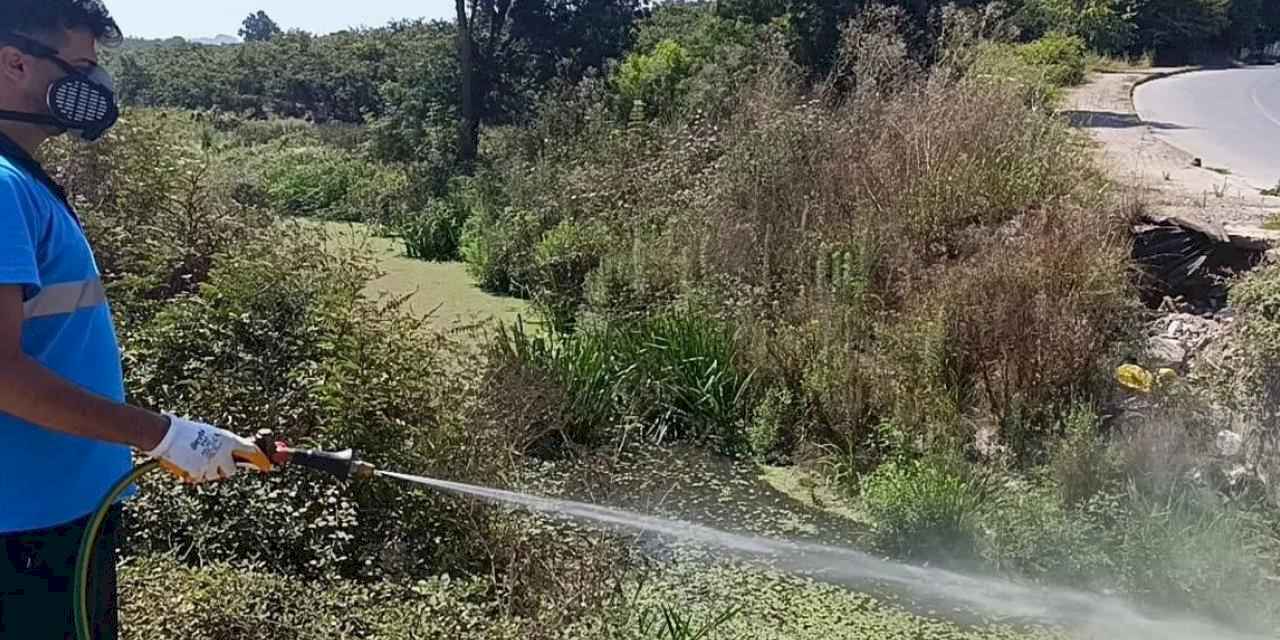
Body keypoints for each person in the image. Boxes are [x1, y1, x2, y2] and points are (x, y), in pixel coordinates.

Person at [0, 2, 271, 638]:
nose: (94, 87)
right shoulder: (2, 187)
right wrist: (163, 435)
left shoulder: (21, 180)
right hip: (26, 535)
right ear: (13, 62)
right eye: (79, 68)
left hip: (58, 518)